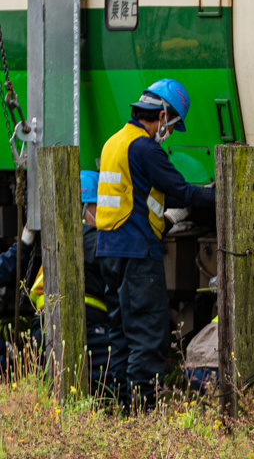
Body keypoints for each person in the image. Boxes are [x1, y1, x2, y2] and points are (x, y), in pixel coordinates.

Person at [96, 79, 216, 408]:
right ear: (163, 116)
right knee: (149, 338)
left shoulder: (114, 142)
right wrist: (218, 194)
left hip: (110, 252)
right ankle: (143, 414)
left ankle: (118, 410)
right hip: (137, 254)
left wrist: (168, 218)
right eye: (174, 126)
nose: (171, 133)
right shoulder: (146, 148)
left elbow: (132, 198)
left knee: (120, 338)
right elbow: (181, 190)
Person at [28, 170, 124, 396]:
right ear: (82, 207)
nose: (103, 214)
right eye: (98, 208)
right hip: (78, 322)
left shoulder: (61, 237)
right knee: (109, 380)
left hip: (45, 324)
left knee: (62, 386)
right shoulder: (88, 237)